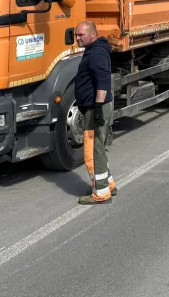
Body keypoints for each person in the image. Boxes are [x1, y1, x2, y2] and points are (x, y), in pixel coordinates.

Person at [74, 20, 117, 205]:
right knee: (97, 147)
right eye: (76, 35)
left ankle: (101, 193)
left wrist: (98, 107)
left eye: (81, 35)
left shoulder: (96, 53)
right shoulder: (94, 50)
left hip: (95, 108)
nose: (77, 38)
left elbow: (103, 80)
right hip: (94, 106)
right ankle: (108, 185)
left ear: (92, 34)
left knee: (93, 150)